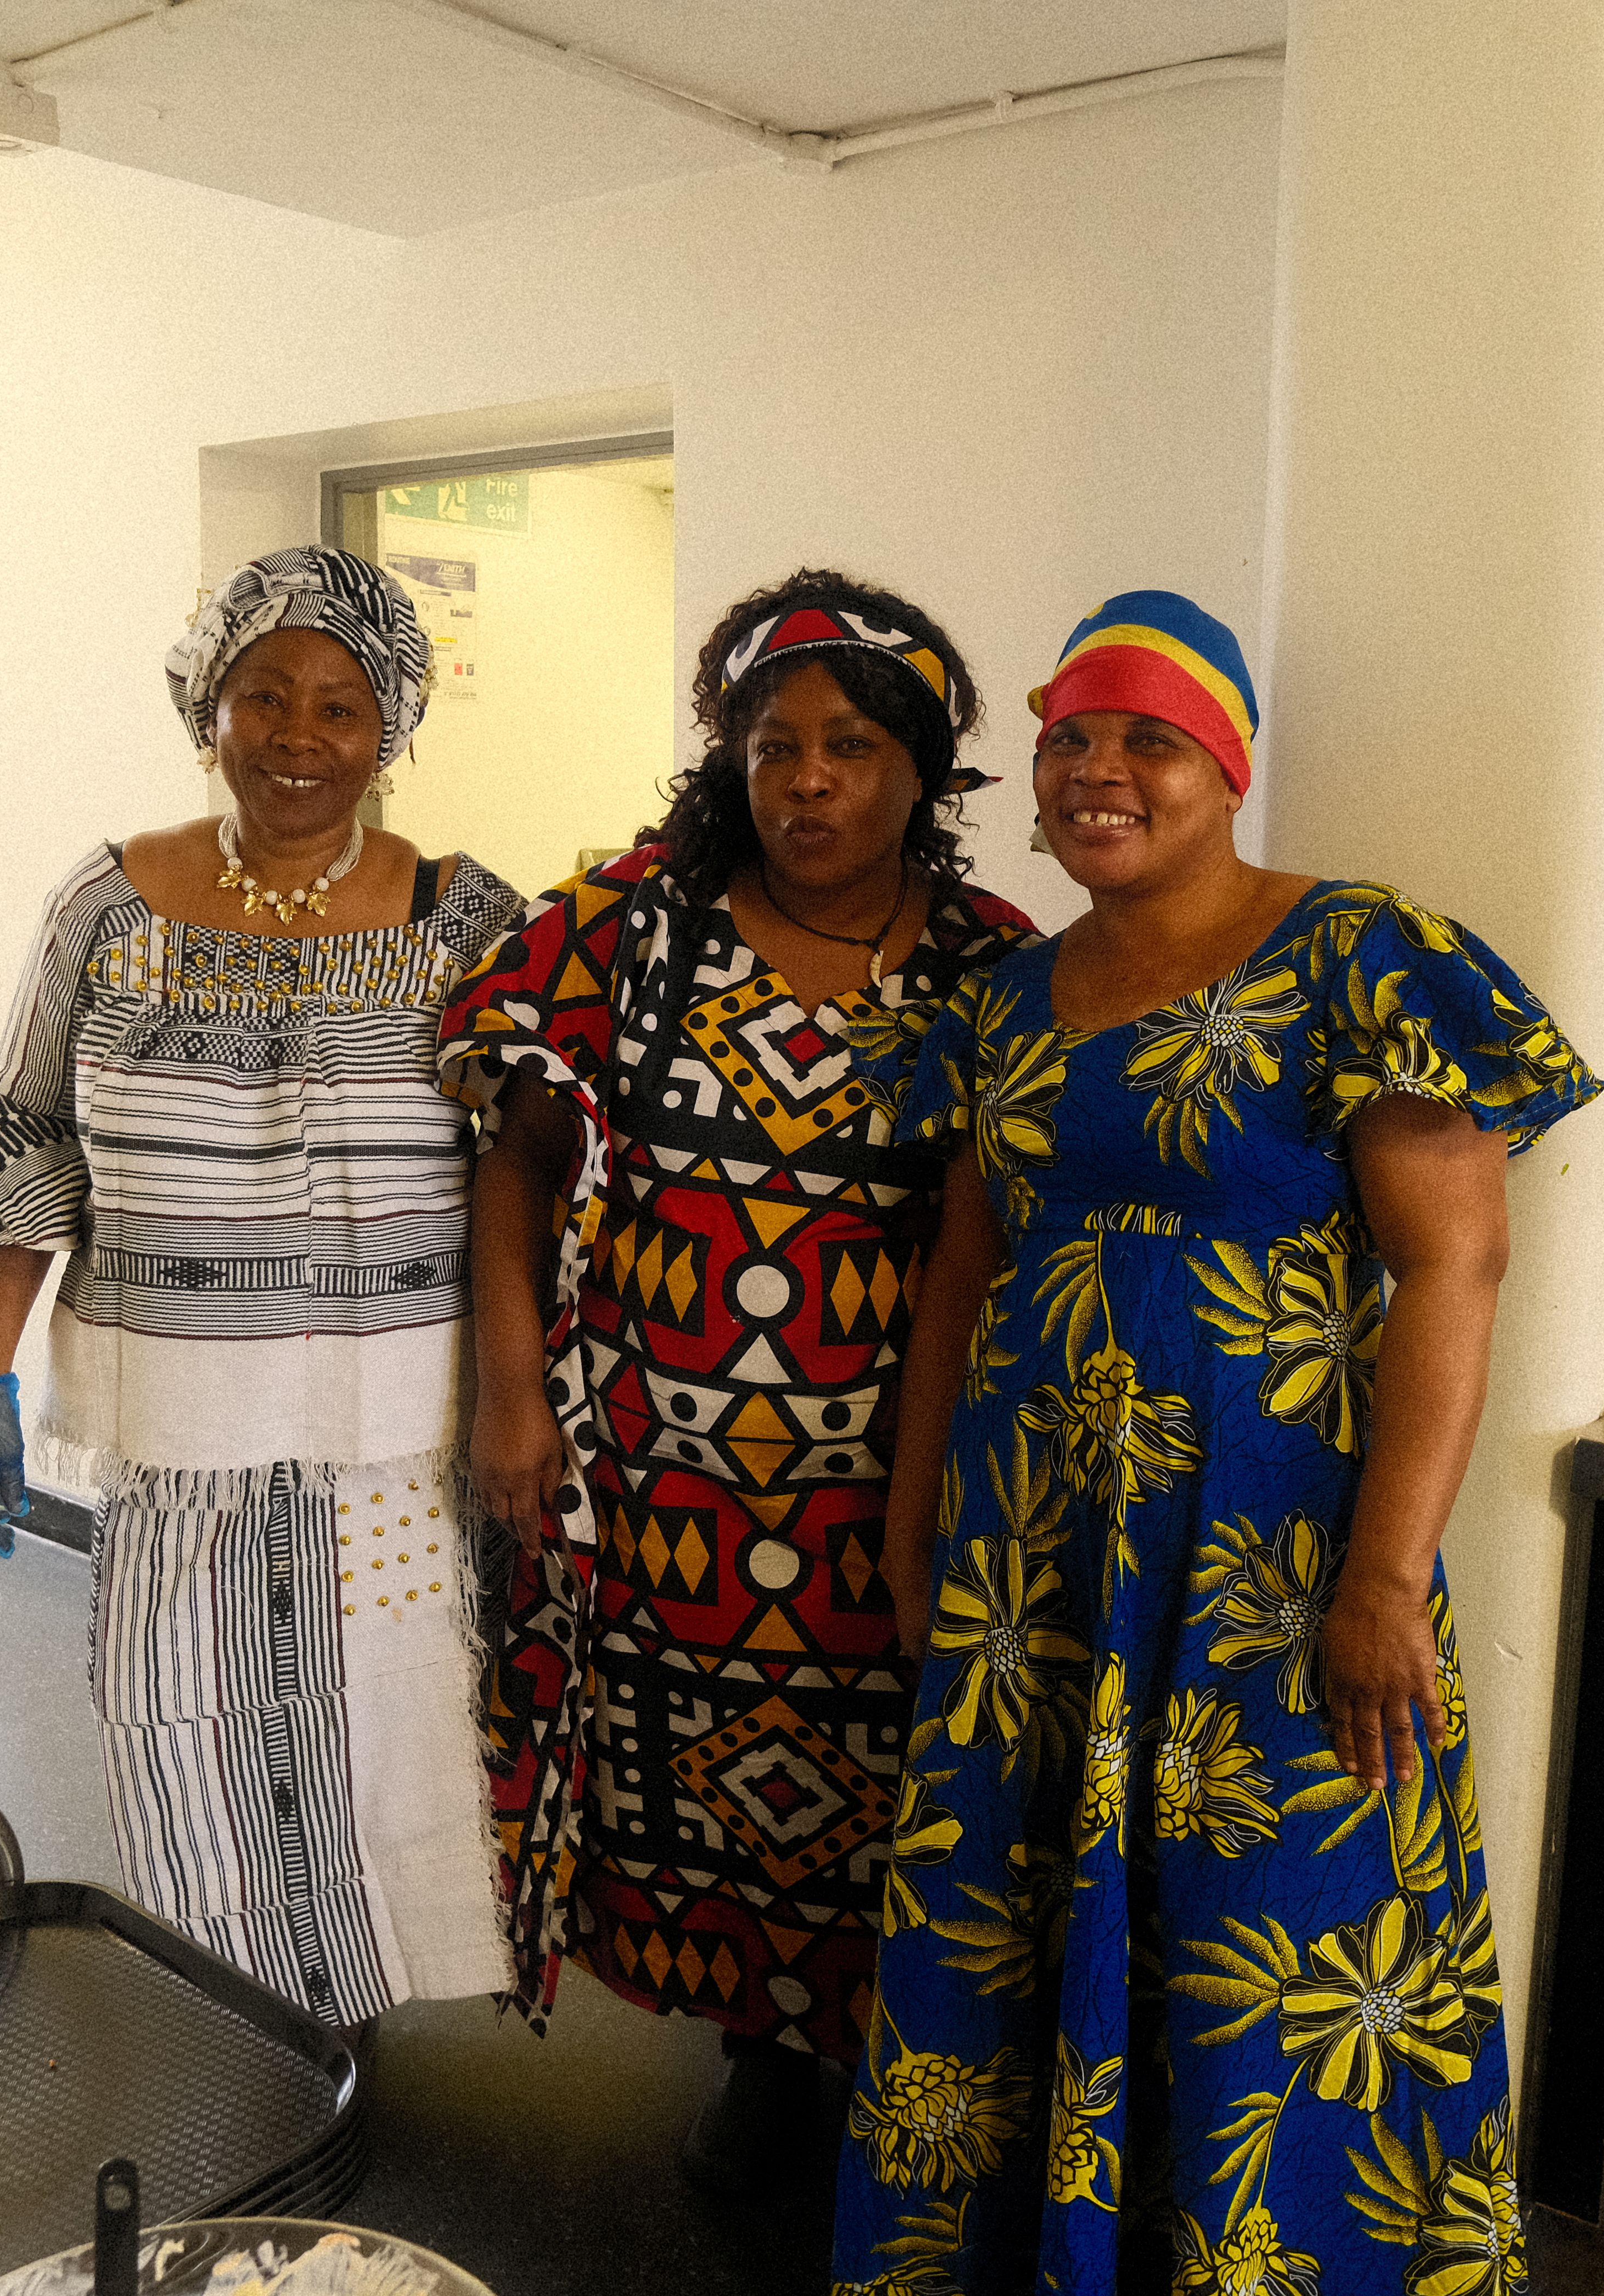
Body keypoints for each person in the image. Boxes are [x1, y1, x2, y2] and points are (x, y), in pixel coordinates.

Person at [830, 592, 1602, 2293]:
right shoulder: (1010, 998)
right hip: (1032, 1549)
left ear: (1227, 768)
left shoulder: (1358, 953)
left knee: (1270, 1925)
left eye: (1149, 740)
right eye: (1070, 742)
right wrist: (916, 1517)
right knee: (1018, 1917)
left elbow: (1453, 1259)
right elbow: (964, 1271)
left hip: (1271, 1551)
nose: (1102, 772)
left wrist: (1389, 1575)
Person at [438, 570, 1037, 2182]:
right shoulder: (630, 930)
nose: (811, 780)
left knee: (889, 1774)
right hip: (662, 1483)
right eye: (775, 746)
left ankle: (884, 2071)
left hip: (890, 1484)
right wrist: (511, 1393)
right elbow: (521, 1156)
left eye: (851, 745)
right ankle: (762, 2063)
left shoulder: (996, 964)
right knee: (689, 1777)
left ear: (927, 765)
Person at [0, 544, 523, 2031]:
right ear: (207, 706)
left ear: (392, 724)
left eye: (340, 706)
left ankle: (367, 2043)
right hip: (180, 1448)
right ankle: (247, 2035)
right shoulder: (112, 908)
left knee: (400, 1747)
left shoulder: (462, 925)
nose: (300, 742)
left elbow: (538, 1169)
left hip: (400, 1449)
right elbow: (27, 1140)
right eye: (265, 698)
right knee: (184, 1732)